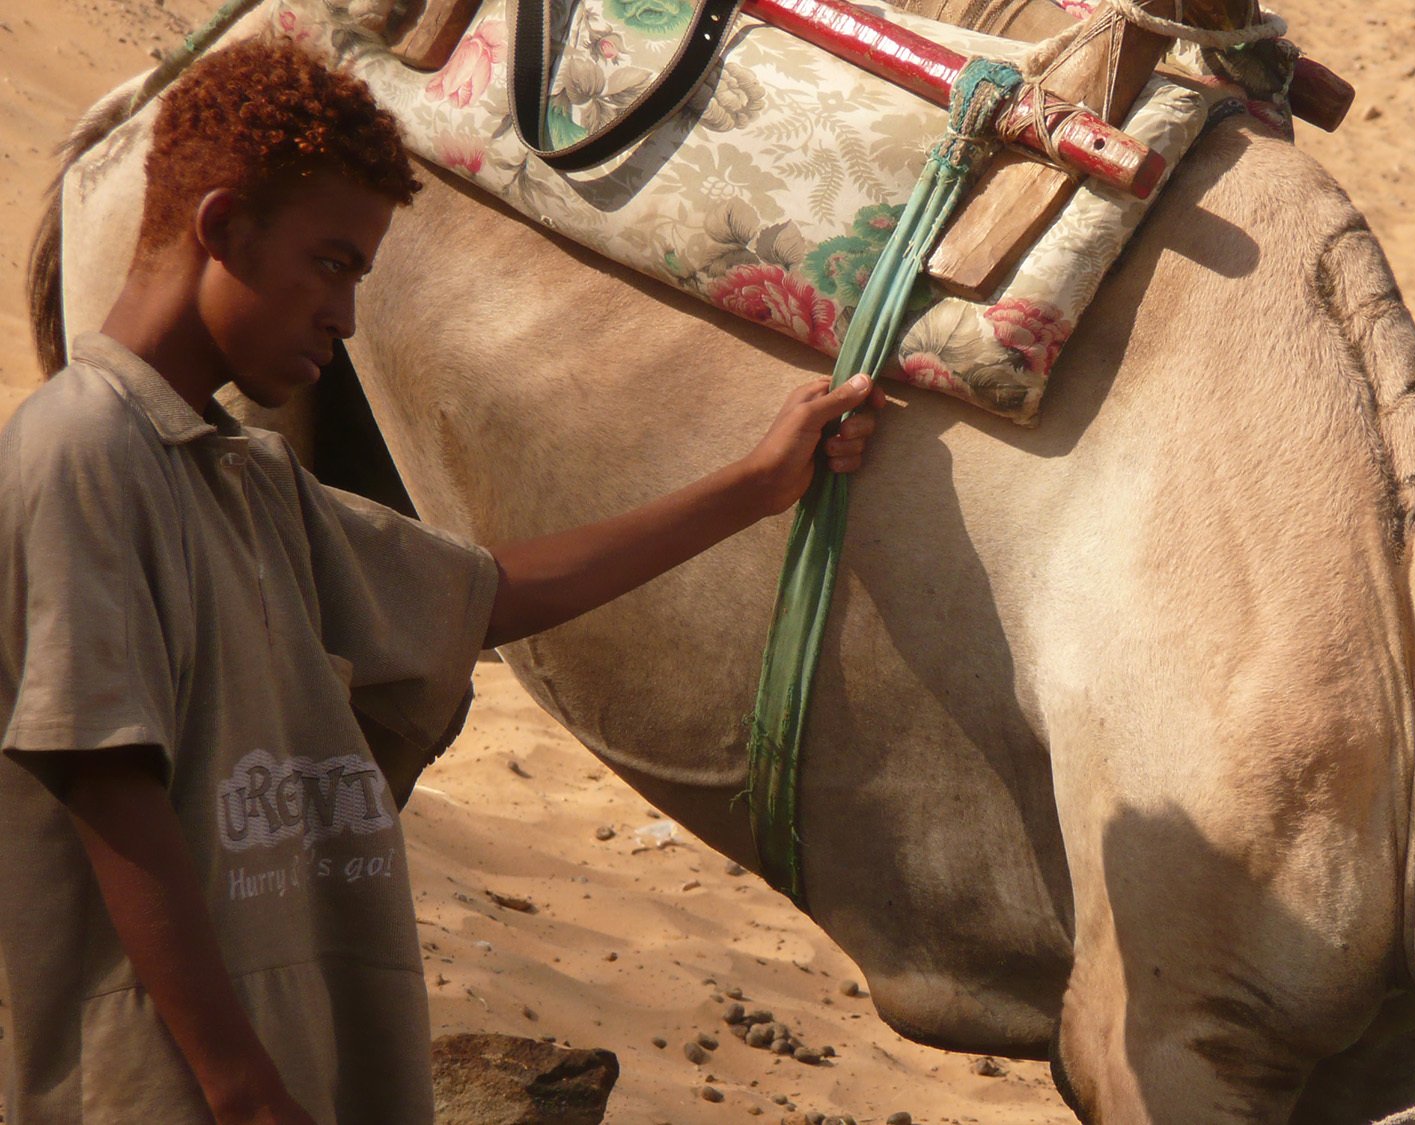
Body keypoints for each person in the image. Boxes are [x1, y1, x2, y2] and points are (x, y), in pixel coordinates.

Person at [0, 35, 884, 1125]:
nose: (347, 316)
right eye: (333, 264)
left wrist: (753, 487)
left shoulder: (241, 481)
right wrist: (239, 1086)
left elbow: (484, 594)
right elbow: (107, 782)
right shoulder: (80, 450)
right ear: (223, 227)